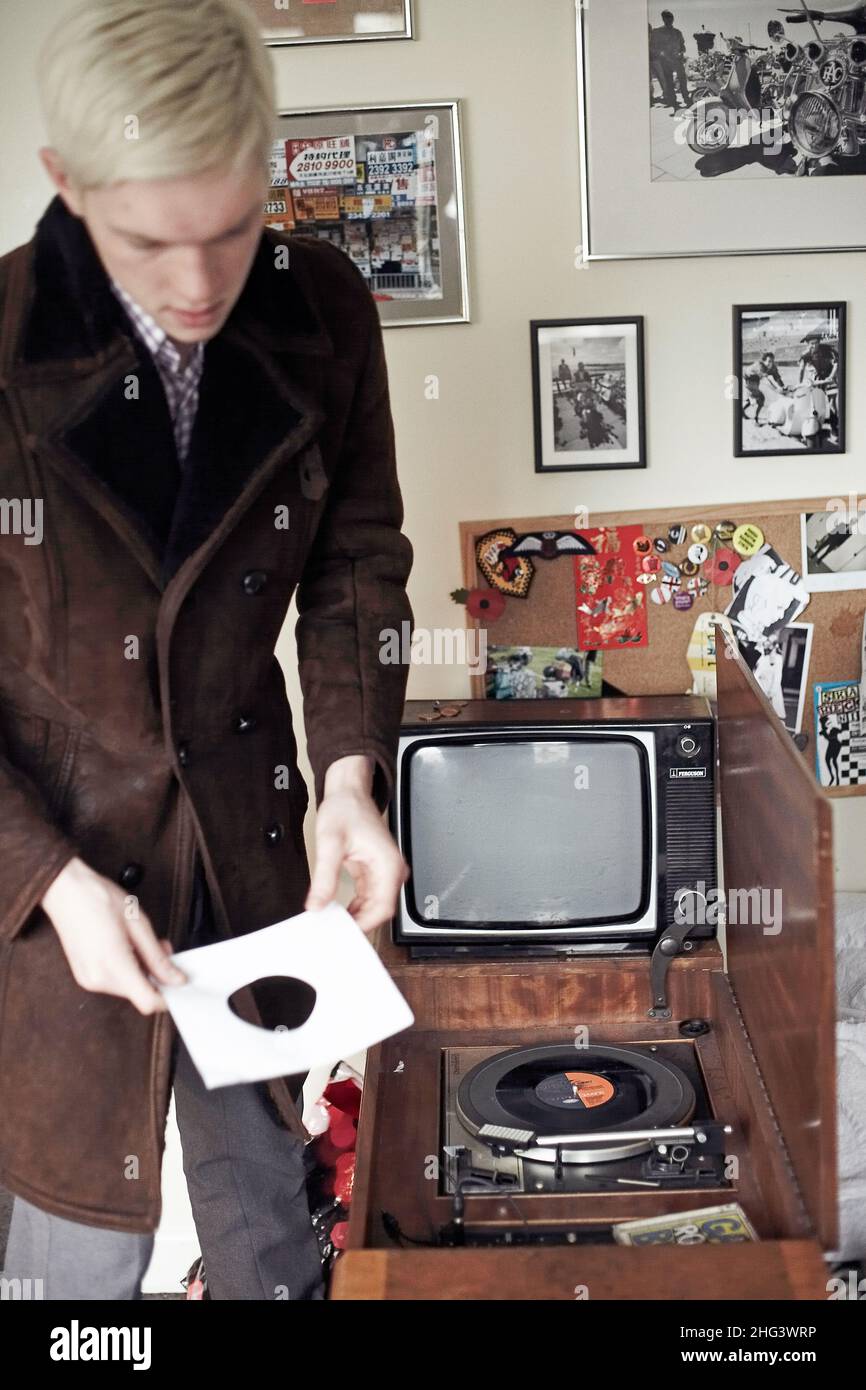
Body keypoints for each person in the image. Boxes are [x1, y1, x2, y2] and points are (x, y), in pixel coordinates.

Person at [0, 0, 413, 1301]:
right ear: (66, 185)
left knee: (271, 1249)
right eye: (146, 242)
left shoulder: (327, 311)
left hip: (252, 861)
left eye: (231, 231)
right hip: (36, 880)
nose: (195, 284)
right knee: (72, 1263)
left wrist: (349, 773)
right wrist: (51, 880)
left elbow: (356, 562)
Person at [650, 10, 692, 114]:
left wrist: (681, 53)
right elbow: (652, 47)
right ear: (663, 19)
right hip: (665, 61)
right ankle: (673, 103)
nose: (669, 20)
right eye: (667, 18)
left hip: (677, 60)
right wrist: (661, 54)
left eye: (671, 17)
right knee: (669, 82)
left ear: (673, 19)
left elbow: (683, 47)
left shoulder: (678, 32)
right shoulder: (657, 32)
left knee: (682, 79)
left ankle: (686, 99)